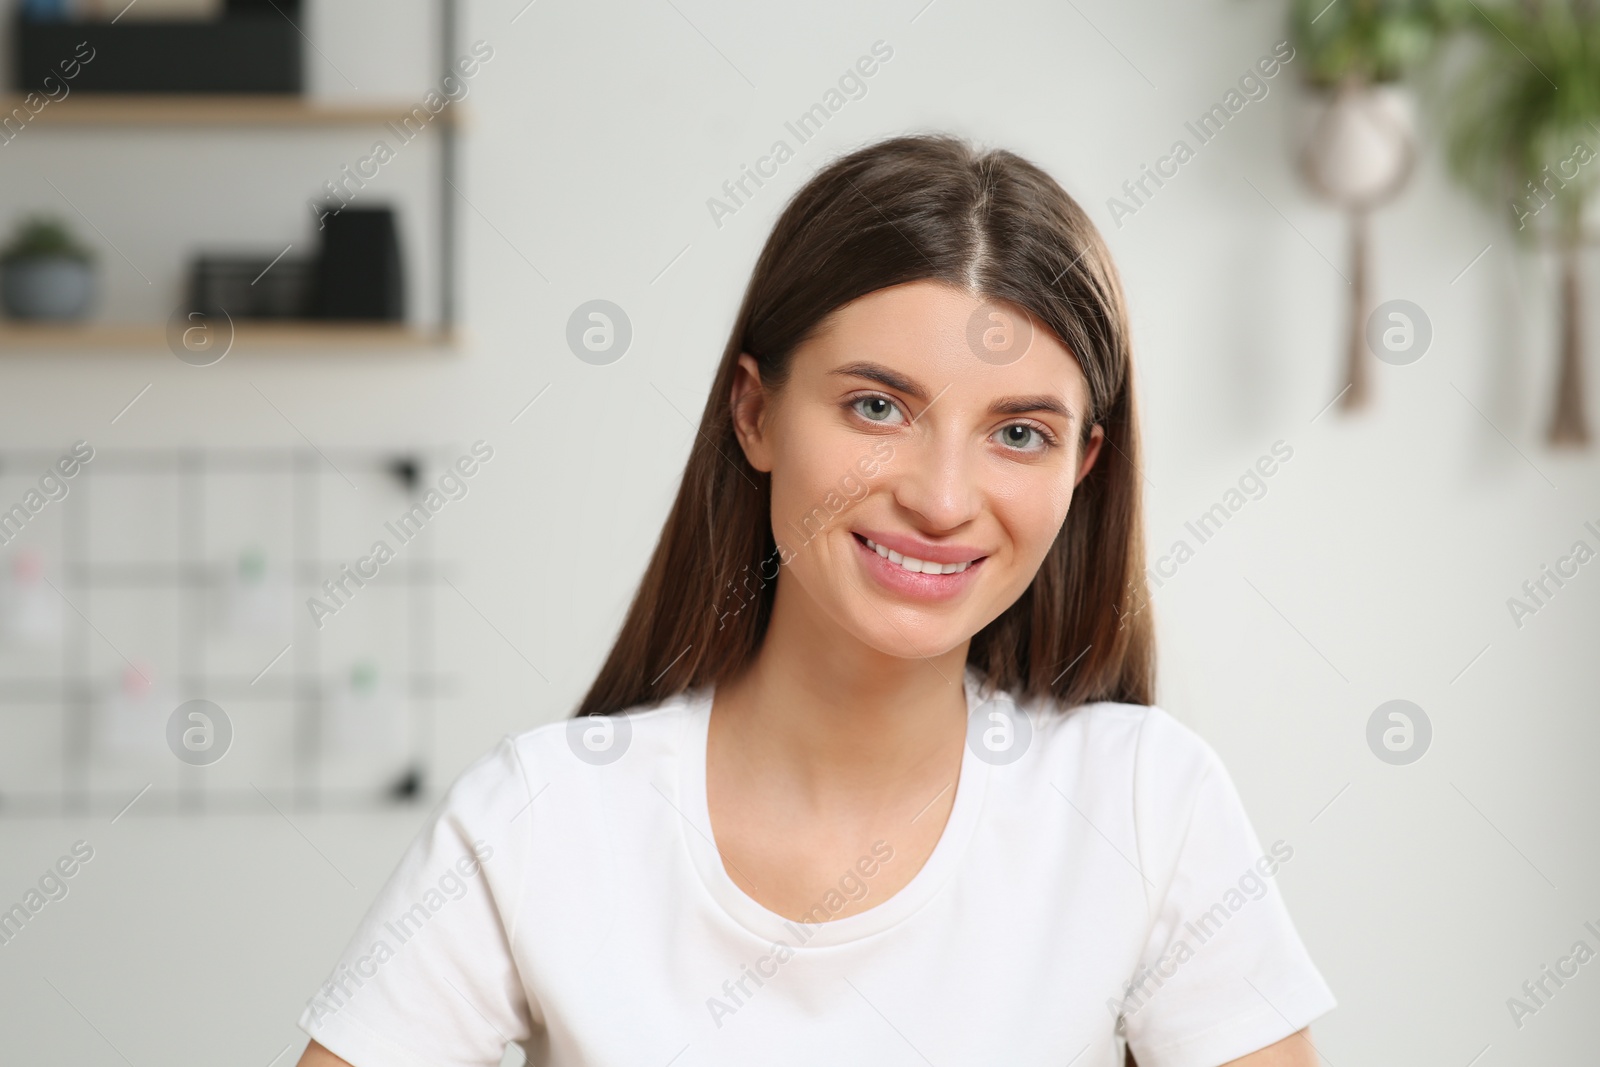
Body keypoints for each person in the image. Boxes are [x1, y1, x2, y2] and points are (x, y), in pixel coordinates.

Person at [294, 133, 1336, 1067]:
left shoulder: (1144, 804)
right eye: (877, 405)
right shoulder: (543, 820)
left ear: (1082, 466)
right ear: (755, 413)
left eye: (1019, 432)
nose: (939, 497)